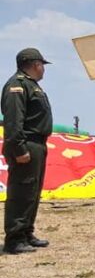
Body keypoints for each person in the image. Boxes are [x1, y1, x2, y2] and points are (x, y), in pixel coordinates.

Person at [2, 48, 53, 254]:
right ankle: (14, 238)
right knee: (21, 191)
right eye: (42, 64)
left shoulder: (32, 86)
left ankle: (26, 232)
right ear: (34, 64)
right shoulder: (17, 85)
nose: (43, 69)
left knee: (32, 192)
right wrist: (19, 148)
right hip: (26, 143)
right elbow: (14, 121)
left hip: (38, 143)